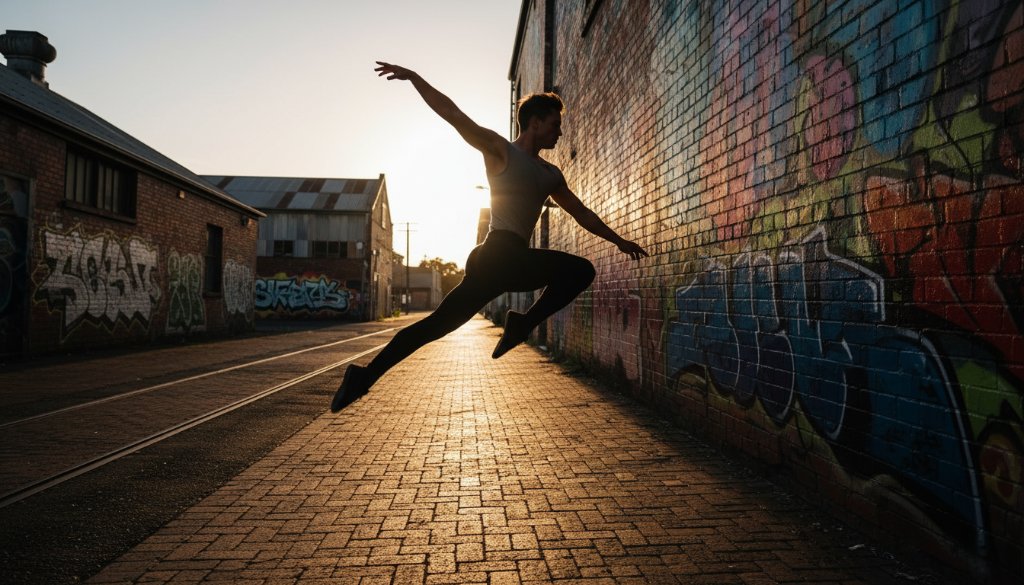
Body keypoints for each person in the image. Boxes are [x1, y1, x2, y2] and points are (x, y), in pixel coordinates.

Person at [331, 61, 648, 412]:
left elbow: (581, 213)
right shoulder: (501, 151)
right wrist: (415, 78)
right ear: (536, 122)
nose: (560, 133)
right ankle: (521, 324)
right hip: (499, 254)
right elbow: (454, 114)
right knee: (577, 272)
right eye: (555, 125)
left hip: (501, 260)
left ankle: (363, 377)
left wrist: (617, 239)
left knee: (439, 323)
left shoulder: (551, 174)